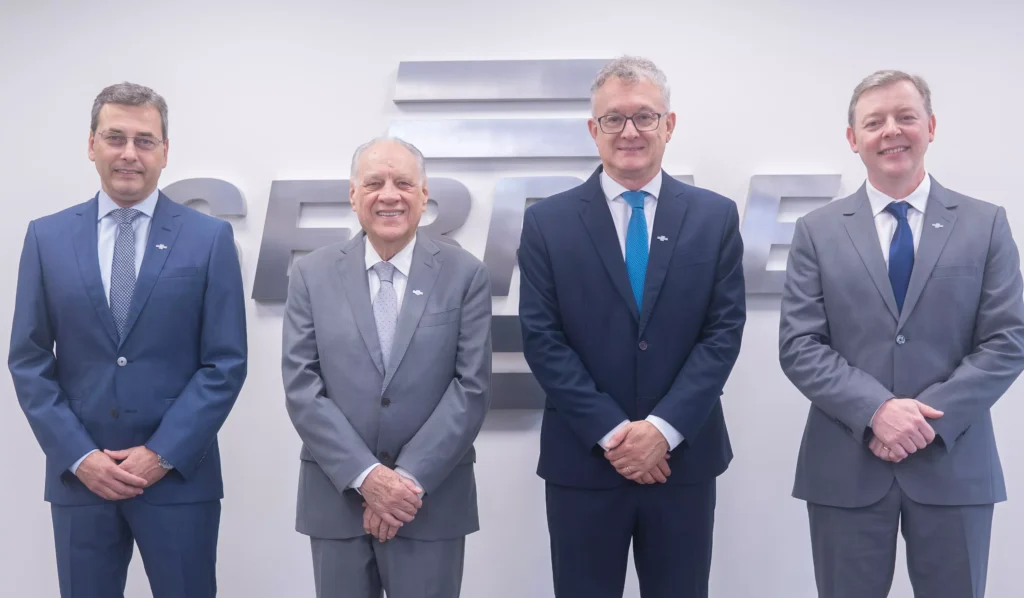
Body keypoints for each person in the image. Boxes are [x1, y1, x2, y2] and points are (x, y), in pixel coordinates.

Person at [779, 69, 1024, 598]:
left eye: (906, 117)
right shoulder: (817, 231)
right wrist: (877, 412)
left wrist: (926, 421)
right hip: (845, 469)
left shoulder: (986, 224)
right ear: (853, 139)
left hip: (953, 463)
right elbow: (800, 345)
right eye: (874, 121)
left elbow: (1008, 340)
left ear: (930, 126)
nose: (891, 131)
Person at [8, 81, 248, 598]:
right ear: (91, 144)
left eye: (144, 140)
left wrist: (160, 454)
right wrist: (80, 456)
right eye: (115, 138)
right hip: (81, 481)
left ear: (165, 152)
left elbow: (225, 364)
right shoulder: (46, 238)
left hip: (179, 480)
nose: (129, 153)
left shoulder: (209, 240)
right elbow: (28, 360)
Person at [518, 56, 746, 598]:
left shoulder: (714, 217)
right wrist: (616, 435)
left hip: (681, 461)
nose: (630, 132)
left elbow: (723, 332)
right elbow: (543, 339)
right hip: (585, 462)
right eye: (614, 119)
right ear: (593, 130)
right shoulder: (546, 222)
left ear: (669, 125)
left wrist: (661, 431)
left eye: (645, 117)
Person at [282, 137, 492, 598]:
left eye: (403, 182)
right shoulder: (310, 275)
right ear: (353, 194)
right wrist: (369, 478)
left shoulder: (465, 274)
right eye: (374, 183)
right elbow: (303, 387)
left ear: (423, 194)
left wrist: (406, 483)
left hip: (430, 503)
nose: (389, 194)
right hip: (338, 500)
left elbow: (470, 389)